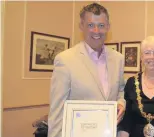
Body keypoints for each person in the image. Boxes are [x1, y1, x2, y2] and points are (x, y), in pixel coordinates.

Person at [48, 3, 125, 137]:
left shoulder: (118, 59)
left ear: (108, 27)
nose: (96, 31)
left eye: (101, 25)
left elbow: (120, 91)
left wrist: (121, 103)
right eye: (90, 25)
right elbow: (57, 112)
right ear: (81, 26)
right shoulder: (65, 60)